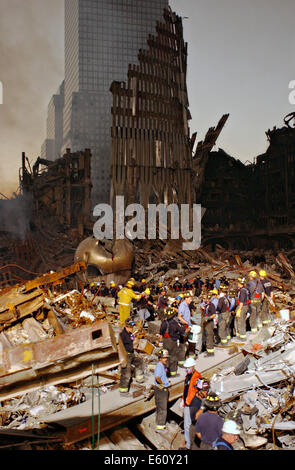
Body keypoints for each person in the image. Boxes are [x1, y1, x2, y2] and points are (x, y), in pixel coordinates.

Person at [180, 358, 203, 450]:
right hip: (187, 403)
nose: (186, 369)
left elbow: (201, 392)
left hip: (193, 405)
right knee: (187, 425)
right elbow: (186, 390)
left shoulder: (198, 377)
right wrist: (183, 400)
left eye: (188, 367)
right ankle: (188, 445)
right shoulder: (187, 377)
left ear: (193, 366)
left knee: (192, 425)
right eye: (186, 368)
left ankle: (192, 445)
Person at [159, 307, 188, 377]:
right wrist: (186, 328)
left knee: (165, 356)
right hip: (172, 341)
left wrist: (161, 341)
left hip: (165, 341)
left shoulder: (164, 322)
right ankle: (173, 372)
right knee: (173, 356)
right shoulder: (174, 323)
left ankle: (166, 372)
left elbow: (161, 332)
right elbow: (181, 330)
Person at [119, 318, 144, 396]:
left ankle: (139, 378)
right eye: (131, 327)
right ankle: (123, 390)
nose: (132, 328)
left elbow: (131, 339)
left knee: (139, 362)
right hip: (126, 355)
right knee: (126, 372)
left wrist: (133, 337)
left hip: (131, 354)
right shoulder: (122, 335)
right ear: (127, 326)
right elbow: (120, 347)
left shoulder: (129, 333)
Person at [154, 349, 170, 431]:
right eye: (164, 358)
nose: (166, 359)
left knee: (160, 407)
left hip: (160, 389)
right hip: (161, 389)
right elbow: (157, 378)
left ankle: (158, 423)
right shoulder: (159, 366)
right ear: (160, 358)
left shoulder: (161, 366)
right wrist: (163, 384)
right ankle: (161, 426)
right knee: (163, 408)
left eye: (166, 357)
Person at [177, 295, 193, 365]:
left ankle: (186, 356)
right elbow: (179, 317)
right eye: (190, 299)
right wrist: (186, 322)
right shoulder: (182, 306)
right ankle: (181, 360)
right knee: (182, 343)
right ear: (185, 299)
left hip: (187, 325)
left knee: (187, 341)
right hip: (184, 326)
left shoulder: (187, 305)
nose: (191, 300)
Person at [203, 289, 218, 356]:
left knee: (209, 336)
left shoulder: (211, 305)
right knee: (207, 336)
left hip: (209, 323)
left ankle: (210, 352)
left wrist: (208, 318)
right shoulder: (206, 305)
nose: (204, 300)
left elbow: (214, 314)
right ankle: (208, 349)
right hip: (206, 323)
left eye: (204, 299)